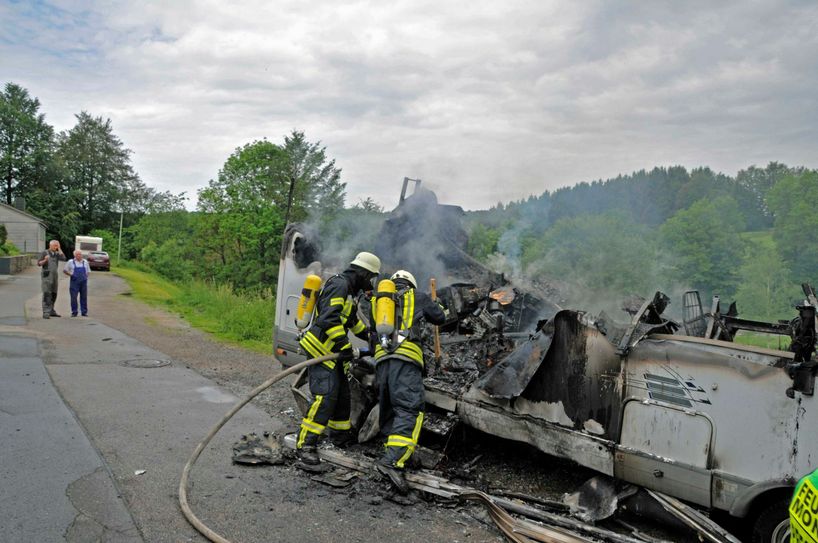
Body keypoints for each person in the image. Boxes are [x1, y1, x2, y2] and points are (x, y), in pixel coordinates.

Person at [296, 251, 381, 468]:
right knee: (325, 397)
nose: (370, 282)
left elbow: (352, 323)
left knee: (342, 397)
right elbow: (328, 319)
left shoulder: (350, 293)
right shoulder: (340, 285)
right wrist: (345, 345)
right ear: (362, 273)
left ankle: (340, 437)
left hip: (333, 355)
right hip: (321, 351)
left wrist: (373, 336)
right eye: (370, 277)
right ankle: (306, 445)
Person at [372, 270, 446, 493]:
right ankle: (392, 462)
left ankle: (395, 452)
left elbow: (371, 332)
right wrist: (437, 303)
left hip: (381, 362)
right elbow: (440, 317)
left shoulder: (378, 301)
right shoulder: (419, 296)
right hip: (406, 361)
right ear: (411, 284)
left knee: (389, 409)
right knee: (409, 409)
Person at [38, 240, 66, 319]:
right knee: (47, 294)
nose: (56, 247)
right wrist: (45, 260)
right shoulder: (44, 252)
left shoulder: (56, 254)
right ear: (50, 245)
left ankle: (51, 310)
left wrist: (59, 248)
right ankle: (46, 312)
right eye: (55, 246)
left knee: (54, 294)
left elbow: (64, 258)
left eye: (57, 246)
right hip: (46, 276)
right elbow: (39, 263)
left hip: (54, 276)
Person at [63, 249, 90, 317]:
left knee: (84, 297)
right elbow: (65, 270)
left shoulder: (85, 262)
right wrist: (71, 275)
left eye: (80, 254)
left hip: (83, 282)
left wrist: (85, 277)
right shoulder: (70, 262)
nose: (79, 256)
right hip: (74, 282)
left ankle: (84, 312)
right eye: (77, 254)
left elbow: (88, 271)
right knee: (73, 297)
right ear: (74, 255)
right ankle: (74, 312)